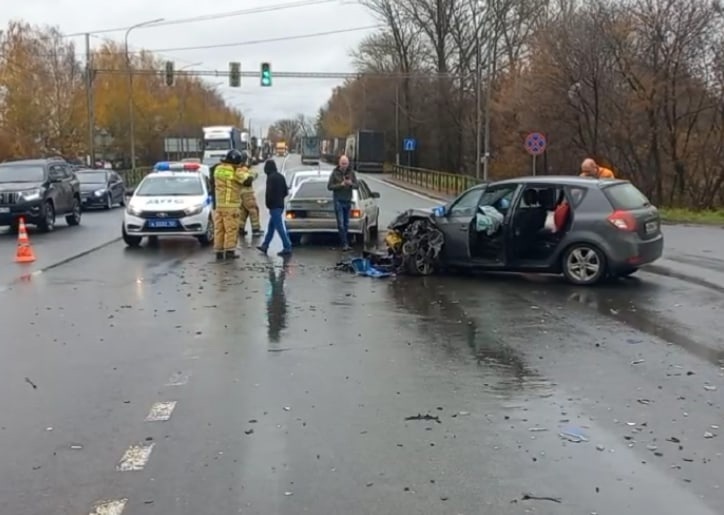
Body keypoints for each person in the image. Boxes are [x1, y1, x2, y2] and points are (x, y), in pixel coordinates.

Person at [212, 149, 253, 260]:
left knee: (219, 229)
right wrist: (245, 169)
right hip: (231, 205)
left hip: (219, 205)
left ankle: (218, 252)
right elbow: (248, 181)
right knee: (231, 229)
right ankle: (230, 251)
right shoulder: (235, 170)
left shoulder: (218, 169)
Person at [257, 159, 292, 256]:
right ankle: (265, 245)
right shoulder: (280, 176)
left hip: (274, 206)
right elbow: (285, 191)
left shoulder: (270, 178)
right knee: (271, 227)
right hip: (280, 205)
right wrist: (280, 198)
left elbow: (269, 193)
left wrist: (269, 204)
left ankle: (287, 246)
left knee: (279, 227)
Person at [327, 155, 358, 251]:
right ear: (339, 163)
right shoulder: (335, 173)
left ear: (348, 164)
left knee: (346, 223)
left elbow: (357, 186)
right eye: (342, 163)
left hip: (348, 200)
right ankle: (344, 243)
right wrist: (340, 185)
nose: (344, 165)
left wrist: (350, 184)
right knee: (340, 223)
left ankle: (345, 242)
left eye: (346, 163)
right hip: (338, 201)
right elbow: (329, 186)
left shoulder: (351, 173)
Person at [238, 153, 264, 237]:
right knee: (254, 210)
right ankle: (255, 229)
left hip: (242, 193)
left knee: (244, 212)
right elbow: (248, 180)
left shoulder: (239, 169)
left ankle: (240, 229)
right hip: (247, 193)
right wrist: (251, 175)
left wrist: (251, 175)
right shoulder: (241, 170)